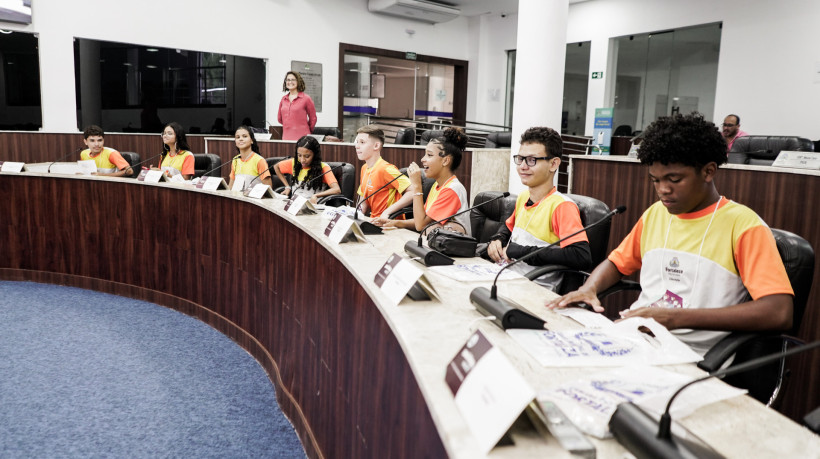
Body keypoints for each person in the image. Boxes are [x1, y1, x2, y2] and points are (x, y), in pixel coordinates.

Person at [547, 113, 793, 356]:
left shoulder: (743, 225)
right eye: (655, 180)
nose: (663, 190)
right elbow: (616, 263)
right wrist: (590, 288)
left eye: (674, 179)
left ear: (708, 172)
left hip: (693, 357)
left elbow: (778, 312)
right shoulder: (656, 214)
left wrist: (675, 318)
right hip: (635, 340)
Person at [486, 126, 592, 290]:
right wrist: (498, 239)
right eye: (520, 159)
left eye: (531, 160)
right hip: (507, 277)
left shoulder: (562, 206)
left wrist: (519, 251)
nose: (523, 166)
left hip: (534, 288)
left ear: (553, 164)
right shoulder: (523, 197)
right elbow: (508, 227)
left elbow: (580, 256)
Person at [373, 127, 470, 235]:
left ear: (446, 160)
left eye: (429, 155)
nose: (422, 159)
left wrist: (417, 186)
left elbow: (421, 225)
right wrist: (394, 223)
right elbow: (424, 219)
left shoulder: (452, 189)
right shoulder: (437, 185)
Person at [354, 125, 412, 218]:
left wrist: (387, 212)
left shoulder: (386, 169)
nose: (357, 146)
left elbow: (413, 191)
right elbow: (363, 202)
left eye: (362, 142)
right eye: (356, 142)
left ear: (376, 145)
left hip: (389, 224)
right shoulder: (364, 168)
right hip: (373, 221)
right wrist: (354, 214)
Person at [273, 135, 341, 204]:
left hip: (313, 207)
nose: (302, 160)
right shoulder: (294, 163)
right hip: (294, 205)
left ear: (315, 155)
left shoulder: (323, 167)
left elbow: (336, 189)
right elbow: (276, 167)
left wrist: (316, 195)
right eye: (299, 155)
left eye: (307, 156)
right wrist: (287, 187)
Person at [228, 125, 272, 190]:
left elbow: (268, 189)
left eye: (244, 136)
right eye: (237, 137)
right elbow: (230, 187)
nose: (241, 139)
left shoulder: (259, 160)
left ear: (252, 140)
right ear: (235, 142)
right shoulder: (235, 160)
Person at [277, 71, 317, 141]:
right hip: (286, 138)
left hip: (303, 138)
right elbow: (280, 119)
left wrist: (306, 130)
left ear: (298, 81)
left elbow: (313, 118)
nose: (290, 82)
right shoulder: (283, 99)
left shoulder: (306, 98)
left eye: (293, 80)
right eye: (288, 80)